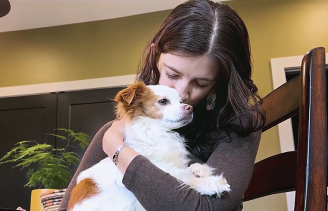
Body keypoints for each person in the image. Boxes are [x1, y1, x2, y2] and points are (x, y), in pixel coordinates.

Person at [58, 0, 265, 210]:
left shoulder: (239, 124)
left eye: (200, 83)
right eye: (172, 74)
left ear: (220, 81)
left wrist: (118, 150)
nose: (182, 92)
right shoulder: (117, 129)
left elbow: (205, 208)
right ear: (156, 56)